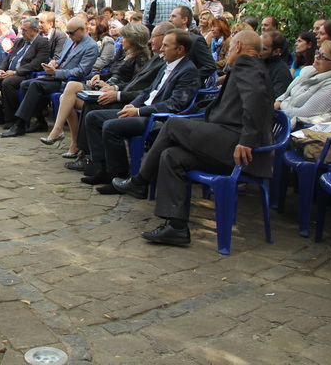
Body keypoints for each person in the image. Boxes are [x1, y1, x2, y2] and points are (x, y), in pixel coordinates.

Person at [109, 31, 274, 246]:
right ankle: (176, 227)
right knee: (172, 155)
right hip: (226, 139)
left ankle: (140, 182)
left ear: (239, 45)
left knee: (173, 125)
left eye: (231, 45)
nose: (229, 50)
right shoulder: (252, 65)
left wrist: (248, 139)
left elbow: (255, 100)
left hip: (236, 145)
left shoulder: (246, 63)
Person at [83, 29, 200, 185]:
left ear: (180, 50)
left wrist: (138, 111)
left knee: (111, 126)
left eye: (166, 46)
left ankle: (119, 174)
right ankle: (104, 168)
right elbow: (147, 91)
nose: (162, 49)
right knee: (93, 117)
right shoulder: (167, 65)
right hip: (143, 110)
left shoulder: (188, 71)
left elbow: (175, 104)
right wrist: (133, 104)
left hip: (155, 119)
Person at [42, 23, 159, 162]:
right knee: (65, 99)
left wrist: (113, 87)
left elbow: (134, 84)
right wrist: (101, 77)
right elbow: (113, 72)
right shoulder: (125, 54)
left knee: (71, 90)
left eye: (125, 38)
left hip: (114, 94)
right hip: (106, 87)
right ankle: (73, 144)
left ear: (133, 40)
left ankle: (63, 135)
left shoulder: (141, 59)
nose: (121, 40)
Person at [0, 17, 99, 137]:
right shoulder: (70, 40)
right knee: (25, 84)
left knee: (35, 85)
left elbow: (81, 71)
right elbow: (61, 59)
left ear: (82, 29)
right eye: (67, 32)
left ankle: (20, 124)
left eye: (71, 33)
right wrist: (54, 63)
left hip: (70, 83)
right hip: (56, 76)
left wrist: (56, 72)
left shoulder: (91, 46)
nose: (69, 35)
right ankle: (40, 121)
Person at [0, 18, 50, 126]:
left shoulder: (42, 43)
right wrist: (1, 69)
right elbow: (8, 58)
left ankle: (11, 119)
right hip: (9, 72)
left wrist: (15, 72)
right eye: (21, 29)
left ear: (35, 31)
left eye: (25, 30)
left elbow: (36, 64)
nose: (22, 32)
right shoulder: (19, 41)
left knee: (8, 83)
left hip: (24, 74)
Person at [275, 40, 331, 128]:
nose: (317, 56)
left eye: (323, 57)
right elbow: (287, 94)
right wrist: (278, 102)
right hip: (284, 119)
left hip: (300, 129)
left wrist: (279, 109)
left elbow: (303, 113)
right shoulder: (309, 72)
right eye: (318, 52)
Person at [167, 6, 217, 83]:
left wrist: (189, 79)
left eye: (174, 16)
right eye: (170, 16)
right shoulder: (167, 39)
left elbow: (209, 66)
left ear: (184, 20)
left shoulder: (195, 40)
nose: (170, 19)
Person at [260, 30, 293, 97]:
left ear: (276, 52)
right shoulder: (256, 62)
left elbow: (277, 98)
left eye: (264, 49)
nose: (258, 51)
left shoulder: (281, 71)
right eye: (257, 46)